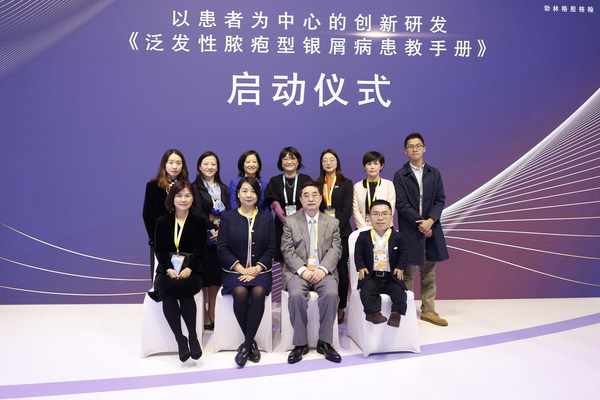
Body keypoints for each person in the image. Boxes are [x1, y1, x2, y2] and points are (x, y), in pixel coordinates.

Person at [217, 177, 276, 367]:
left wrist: (256, 269)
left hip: (261, 271)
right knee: (240, 292)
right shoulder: (228, 217)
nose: (248, 195)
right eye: (244, 191)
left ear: (258, 195)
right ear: (238, 194)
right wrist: (242, 269)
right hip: (235, 271)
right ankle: (251, 344)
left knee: (258, 292)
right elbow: (222, 249)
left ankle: (246, 346)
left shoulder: (266, 217)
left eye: (252, 191)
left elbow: (271, 248)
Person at [281, 181, 342, 364]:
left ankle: (325, 342)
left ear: (321, 198)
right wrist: (302, 270)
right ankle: (300, 344)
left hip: (324, 271)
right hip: (297, 271)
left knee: (331, 294)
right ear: (300, 199)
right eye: (306, 195)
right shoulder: (290, 221)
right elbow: (287, 250)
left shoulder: (332, 222)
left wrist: (322, 269)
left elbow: (336, 249)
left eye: (314, 194)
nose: (310, 198)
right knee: (296, 294)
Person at [393, 133, 450, 326]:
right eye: (410, 146)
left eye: (418, 146)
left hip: (431, 229)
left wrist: (431, 221)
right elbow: (401, 204)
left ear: (424, 148)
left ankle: (428, 310)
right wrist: (421, 223)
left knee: (429, 273)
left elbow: (440, 200)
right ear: (405, 151)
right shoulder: (400, 175)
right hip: (410, 230)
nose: (415, 149)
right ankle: (406, 312)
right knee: (408, 274)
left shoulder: (434, 173)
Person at [153, 180, 204, 362]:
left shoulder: (198, 221)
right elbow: (159, 249)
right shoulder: (162, 221)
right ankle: (180, 339)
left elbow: (201, 250)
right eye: (179, 195)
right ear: (172, 198)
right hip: (166, 271)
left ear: (193, 198)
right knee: (167, 290)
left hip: (192, 270)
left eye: (187, 195)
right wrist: (168, 268)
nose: (183, 199)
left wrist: (190, 268)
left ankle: (193, 336)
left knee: (184, 288)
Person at [192, 151, 231, 331]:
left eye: (213, 164)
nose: (210, 167)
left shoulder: (223, 188)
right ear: (200, 167)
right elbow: (197, 211)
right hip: (202, 236)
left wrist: (222, 230)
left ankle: (213, 313)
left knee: (215, 277)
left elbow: (229, 211)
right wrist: (213, 227)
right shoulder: (194, 187)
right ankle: (203, 314)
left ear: (217, 167)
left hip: (220, 238)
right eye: (206, 163)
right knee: (204, 276)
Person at [354, 200, 408, 327]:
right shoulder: (363, 236)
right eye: (375, 214)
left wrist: (400, 267)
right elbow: (358, 253)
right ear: (369, 217)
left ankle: (396, 315)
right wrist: (361, 266)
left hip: (391, 277)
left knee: (399, 292)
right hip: (371, 276)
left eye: (384, 214)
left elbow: (404, 254)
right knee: (367, 291)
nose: (380, 218)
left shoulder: (398, 237)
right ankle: (373, 313)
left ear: (391, 216)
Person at [315, 149, 353, 324]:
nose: (328, 163)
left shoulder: (346, 183)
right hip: (320, 235)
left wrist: (334, 228)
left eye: (332, 159)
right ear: (321, 164)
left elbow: (347, 210)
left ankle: (340, 308)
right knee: (324, 270)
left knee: (342, 272)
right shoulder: (316, 184)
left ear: (337, 162)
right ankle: (326, 306)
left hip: (342, 233)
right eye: (325, 160)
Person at [143, 149, 189, 280]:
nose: (174, 166)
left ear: (183, 166)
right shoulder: (153, 185)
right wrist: (155, 238)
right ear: (164, 164)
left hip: (183, 241)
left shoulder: (187, 186)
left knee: (182, 279)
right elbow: (147, 214)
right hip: (160, 241)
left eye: (178, 163)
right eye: (171, 162)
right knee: (161, 278)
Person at [264, 146, 313, 264]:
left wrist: (295, 218)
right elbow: (274, 203)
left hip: (303, 224)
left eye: (292, 158)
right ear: (281, 163)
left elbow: (309, 201)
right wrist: (286, 220)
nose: (289, 161)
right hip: (281, 226)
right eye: (285, 159)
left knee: (304, 257)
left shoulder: (306, 179)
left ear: (298, 161)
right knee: (283, 258)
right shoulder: (275, 181)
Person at [352, 151, 396, 229]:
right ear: (364, 167)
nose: (372, 167)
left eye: (375, 163)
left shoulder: (388, 184)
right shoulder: (357, 186)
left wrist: (380, 225)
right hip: (362, 228)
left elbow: (390, 208)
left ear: (381, 166)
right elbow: (355, 210)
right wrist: (364, 228)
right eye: (369, 164)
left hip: (384, 228)